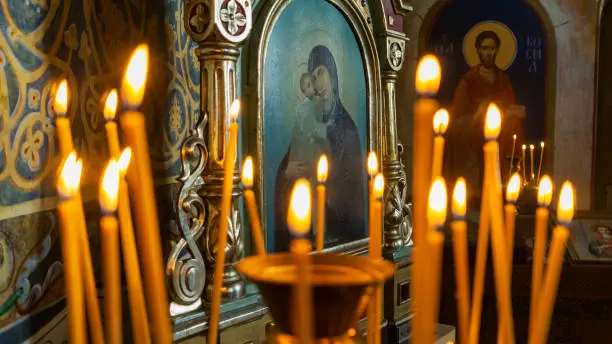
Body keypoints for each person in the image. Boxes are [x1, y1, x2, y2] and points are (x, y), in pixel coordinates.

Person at [274, 45, 366, 251]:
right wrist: (287, 173)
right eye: (313, 77)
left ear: (333, 74)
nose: (318, 83)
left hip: (338, 240)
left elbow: (351, 193)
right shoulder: (309, 121)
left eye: (321, 72)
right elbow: (290, 163)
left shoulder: (347, 128)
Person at [446, 30, 525, 195]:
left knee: (514, 124)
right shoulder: (468, 80)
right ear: (478, 50)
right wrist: (480, 112)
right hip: (474, 129)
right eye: (484, 48)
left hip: (501, 128)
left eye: (492, 48)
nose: (488, 53)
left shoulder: (503, 79)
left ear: (497, 50)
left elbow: (510, 105)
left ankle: (507, 178)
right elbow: (457, 115)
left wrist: (507, 110)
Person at [289, 73, 331, 166]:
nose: (312, 86)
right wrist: (326, 126)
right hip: (305, 146)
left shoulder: (313, 103)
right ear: (303, 92)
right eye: (308, 85)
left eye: (312, 82)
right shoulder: (304, 108)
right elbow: (310, 127)